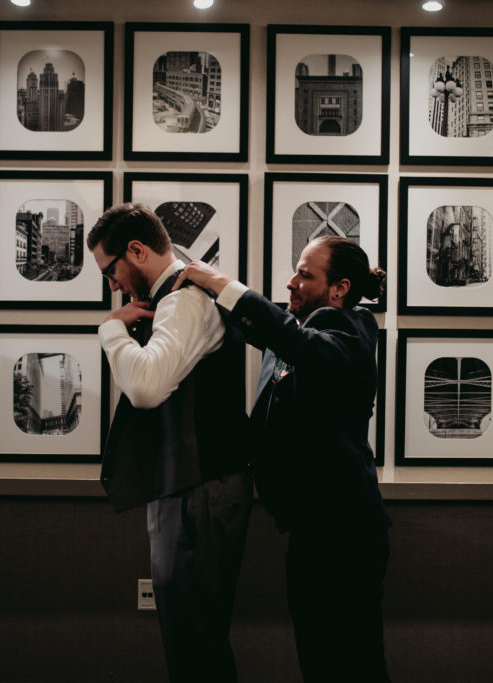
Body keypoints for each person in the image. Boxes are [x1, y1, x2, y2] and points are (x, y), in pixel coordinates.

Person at [173, 235, 392, 683]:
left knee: (353, 665)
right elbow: (272, 335)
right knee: (319, 660)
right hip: (310, 531)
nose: (291, 283)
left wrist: (219, 281)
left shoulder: (351, 327)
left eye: (305, 275)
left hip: (346, 534)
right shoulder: (294, 332)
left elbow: (299, 342)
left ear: (339, 289)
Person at [87, 203, 253, 683]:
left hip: (197, 485)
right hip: (192, 482)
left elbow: (145, 387)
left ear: (136, 251)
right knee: (193, 636)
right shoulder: (178, 296)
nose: (113, 284)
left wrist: (111, 329)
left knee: (193, 638)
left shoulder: (185, 299)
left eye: (110, 271)